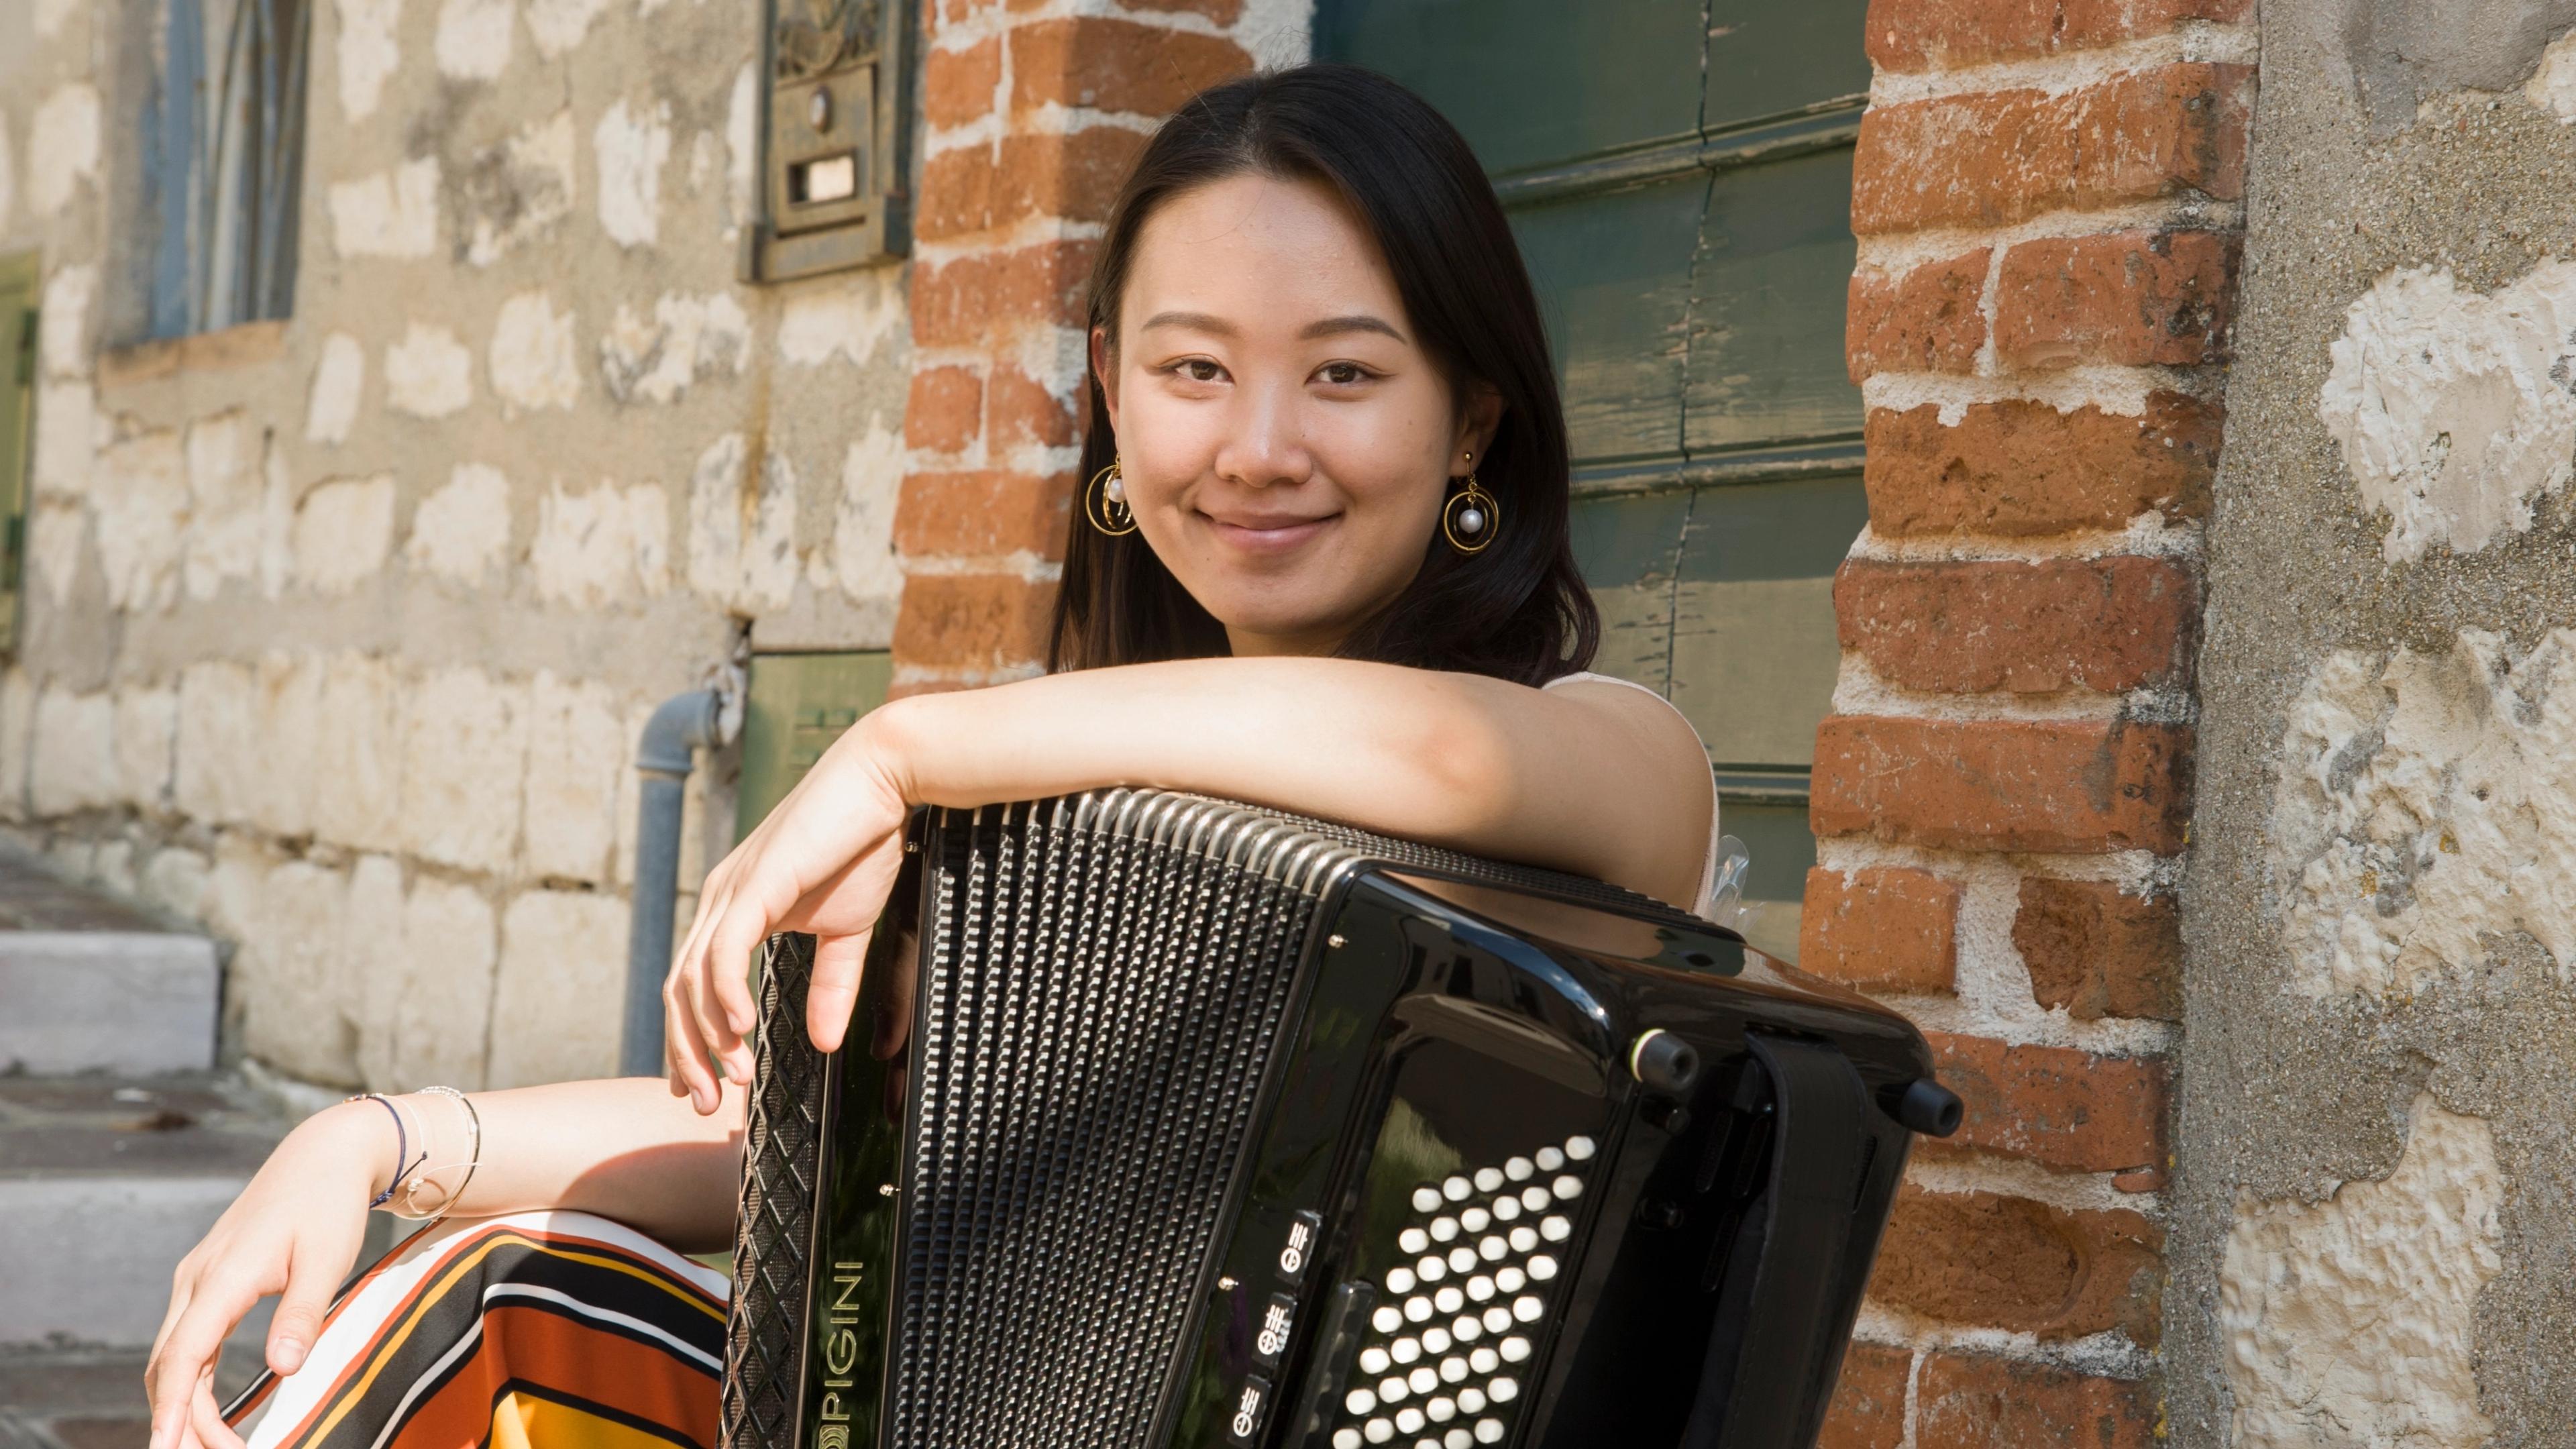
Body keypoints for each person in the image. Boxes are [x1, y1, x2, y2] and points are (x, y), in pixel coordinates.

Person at [145, 62, 1725, 1449]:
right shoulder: (1078, 808)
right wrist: (382, 1141)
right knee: (490, 1303)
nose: (1258, 447)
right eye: (1192, 371)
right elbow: (789, 1145)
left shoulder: (1614, 754)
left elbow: (1451, 757)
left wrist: (911, 747)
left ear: (1472, 425)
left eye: (1346, 373)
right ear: (1109, 393)